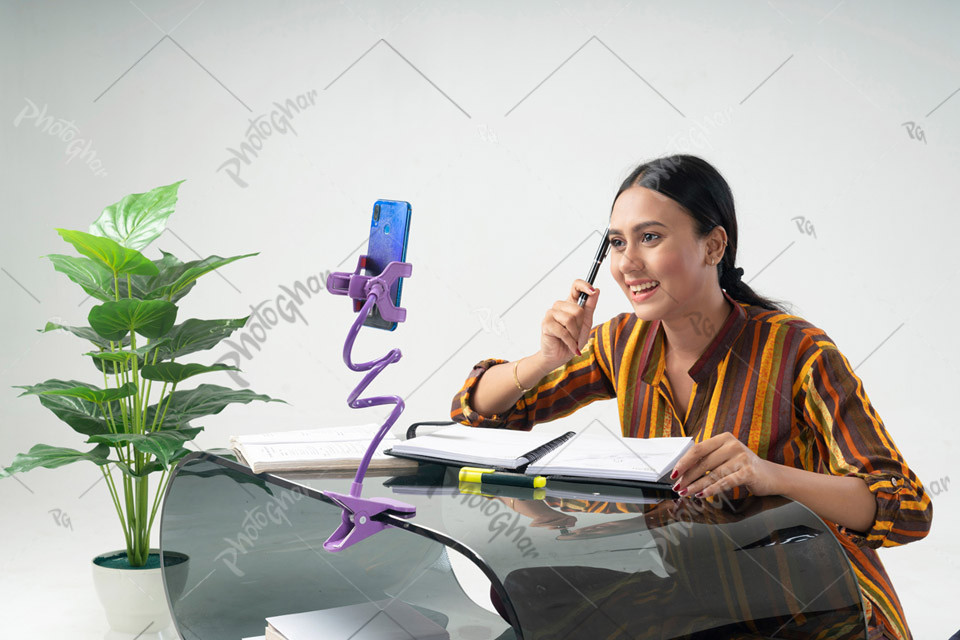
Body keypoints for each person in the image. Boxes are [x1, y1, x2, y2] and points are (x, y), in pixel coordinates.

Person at [450, 154, 933, 640]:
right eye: (617, 243)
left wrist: (769, 476)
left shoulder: (797, 350)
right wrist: (544, 360)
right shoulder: (623, 342)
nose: (628, 263)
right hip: (706, 606)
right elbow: (478, 414)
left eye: (651, 237)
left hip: (822, 613)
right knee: (528, 591)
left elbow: (909, 507)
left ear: (713, 245)